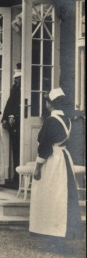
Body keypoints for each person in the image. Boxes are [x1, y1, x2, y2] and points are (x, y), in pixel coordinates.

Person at [29, 88, 83, 240]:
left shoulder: (51, 120)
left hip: (52, 160)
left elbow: (45, 147)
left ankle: (51, 231)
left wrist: (38, 167)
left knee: (51, 194)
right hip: (64, 158)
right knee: (63, 193)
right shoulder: (67, 120)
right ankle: (62, 230)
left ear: (49, 104)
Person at [1, 69, 22, 186]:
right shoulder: (15, 88)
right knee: (15, 150)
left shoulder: (27, 87)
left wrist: (15, 117)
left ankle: (19, 178)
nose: (15, 80)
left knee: (20, 151)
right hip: (13, 124)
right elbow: (10, 103)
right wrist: (5, 118)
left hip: (21, 123)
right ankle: (16, 177)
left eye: (18, 78)